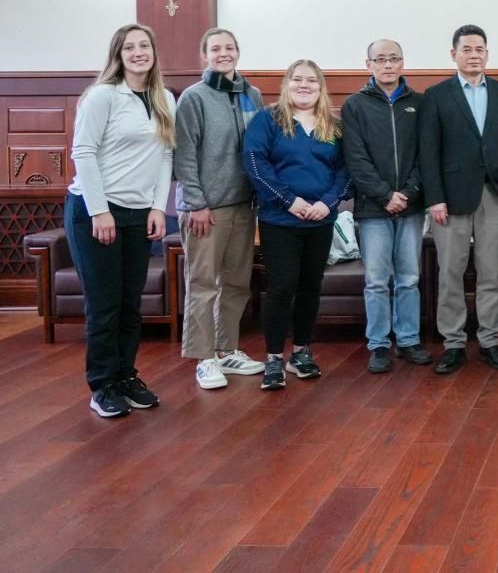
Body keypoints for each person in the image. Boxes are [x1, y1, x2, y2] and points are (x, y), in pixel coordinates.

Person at [66, 24, 176, 418]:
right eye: (129, 47)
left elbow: (165, 155)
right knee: (105, 305)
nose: (138, 52)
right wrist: (100, 211)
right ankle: (102, 386)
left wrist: (157, 207)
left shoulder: (164, 98)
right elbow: (83, 152)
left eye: (144, 45)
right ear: (118, 54)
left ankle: (126, 376)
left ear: (154, 52)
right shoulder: (102, 96)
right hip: (94, 211)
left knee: (131, 303)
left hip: (138, 214)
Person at [421, 25, 498, 374]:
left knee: (491, 272)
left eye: (480, 49)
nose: (474, 54)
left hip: (495, 194)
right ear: (454, 55)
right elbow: (428, 152)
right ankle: (453, 343)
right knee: (451, 271)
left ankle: (490, 341)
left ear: (487, 54)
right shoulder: (437, 95)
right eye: (467, 49)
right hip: (450, 198)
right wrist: (435, 197)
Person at [244, 59, 351, 391]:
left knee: (310, 288)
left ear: (321, 87)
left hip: (320, 219)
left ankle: (301, 353)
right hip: (279, 219)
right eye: (298, 79)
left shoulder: (334, 125)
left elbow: (346, 171)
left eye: (312, 81)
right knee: (281, 288)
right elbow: (256, 164)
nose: (305, 85)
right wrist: (289, 200)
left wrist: (326, 203)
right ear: (286, 84)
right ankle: (274, 359)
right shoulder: (267, 120)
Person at [174, 27, 266, 390]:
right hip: (205, 209)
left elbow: (258, 148)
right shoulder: (194, 97)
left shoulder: (251, 94)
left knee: (237, 283)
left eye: (229, 48)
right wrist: (196, 202)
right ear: (204, 56)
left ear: (238, 53)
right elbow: (183, 155)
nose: (223, 53)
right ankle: (204, 358)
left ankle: (227, 349)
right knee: (202, 284)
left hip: (243, 205)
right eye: (215, 49)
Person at [341, 39, 431, 374]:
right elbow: (355, 159)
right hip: (372, 207)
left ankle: (408, 340)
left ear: (403, 63)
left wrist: (407, 193)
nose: (388, 65)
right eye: (380, 59)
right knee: (377, 280)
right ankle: (378, 344)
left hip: (411, 205)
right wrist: (384, 195)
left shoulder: (419, 103)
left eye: (394, 58)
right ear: (369, 65)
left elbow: (426, 154)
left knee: (409, 277)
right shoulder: (355, 105)